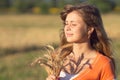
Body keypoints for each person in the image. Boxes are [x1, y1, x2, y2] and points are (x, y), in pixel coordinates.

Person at [46, 3, 116, 80]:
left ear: (89, 29)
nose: (67, 28)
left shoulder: (103, 63)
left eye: (73, 24)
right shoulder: (58, 59)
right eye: (66, 24)